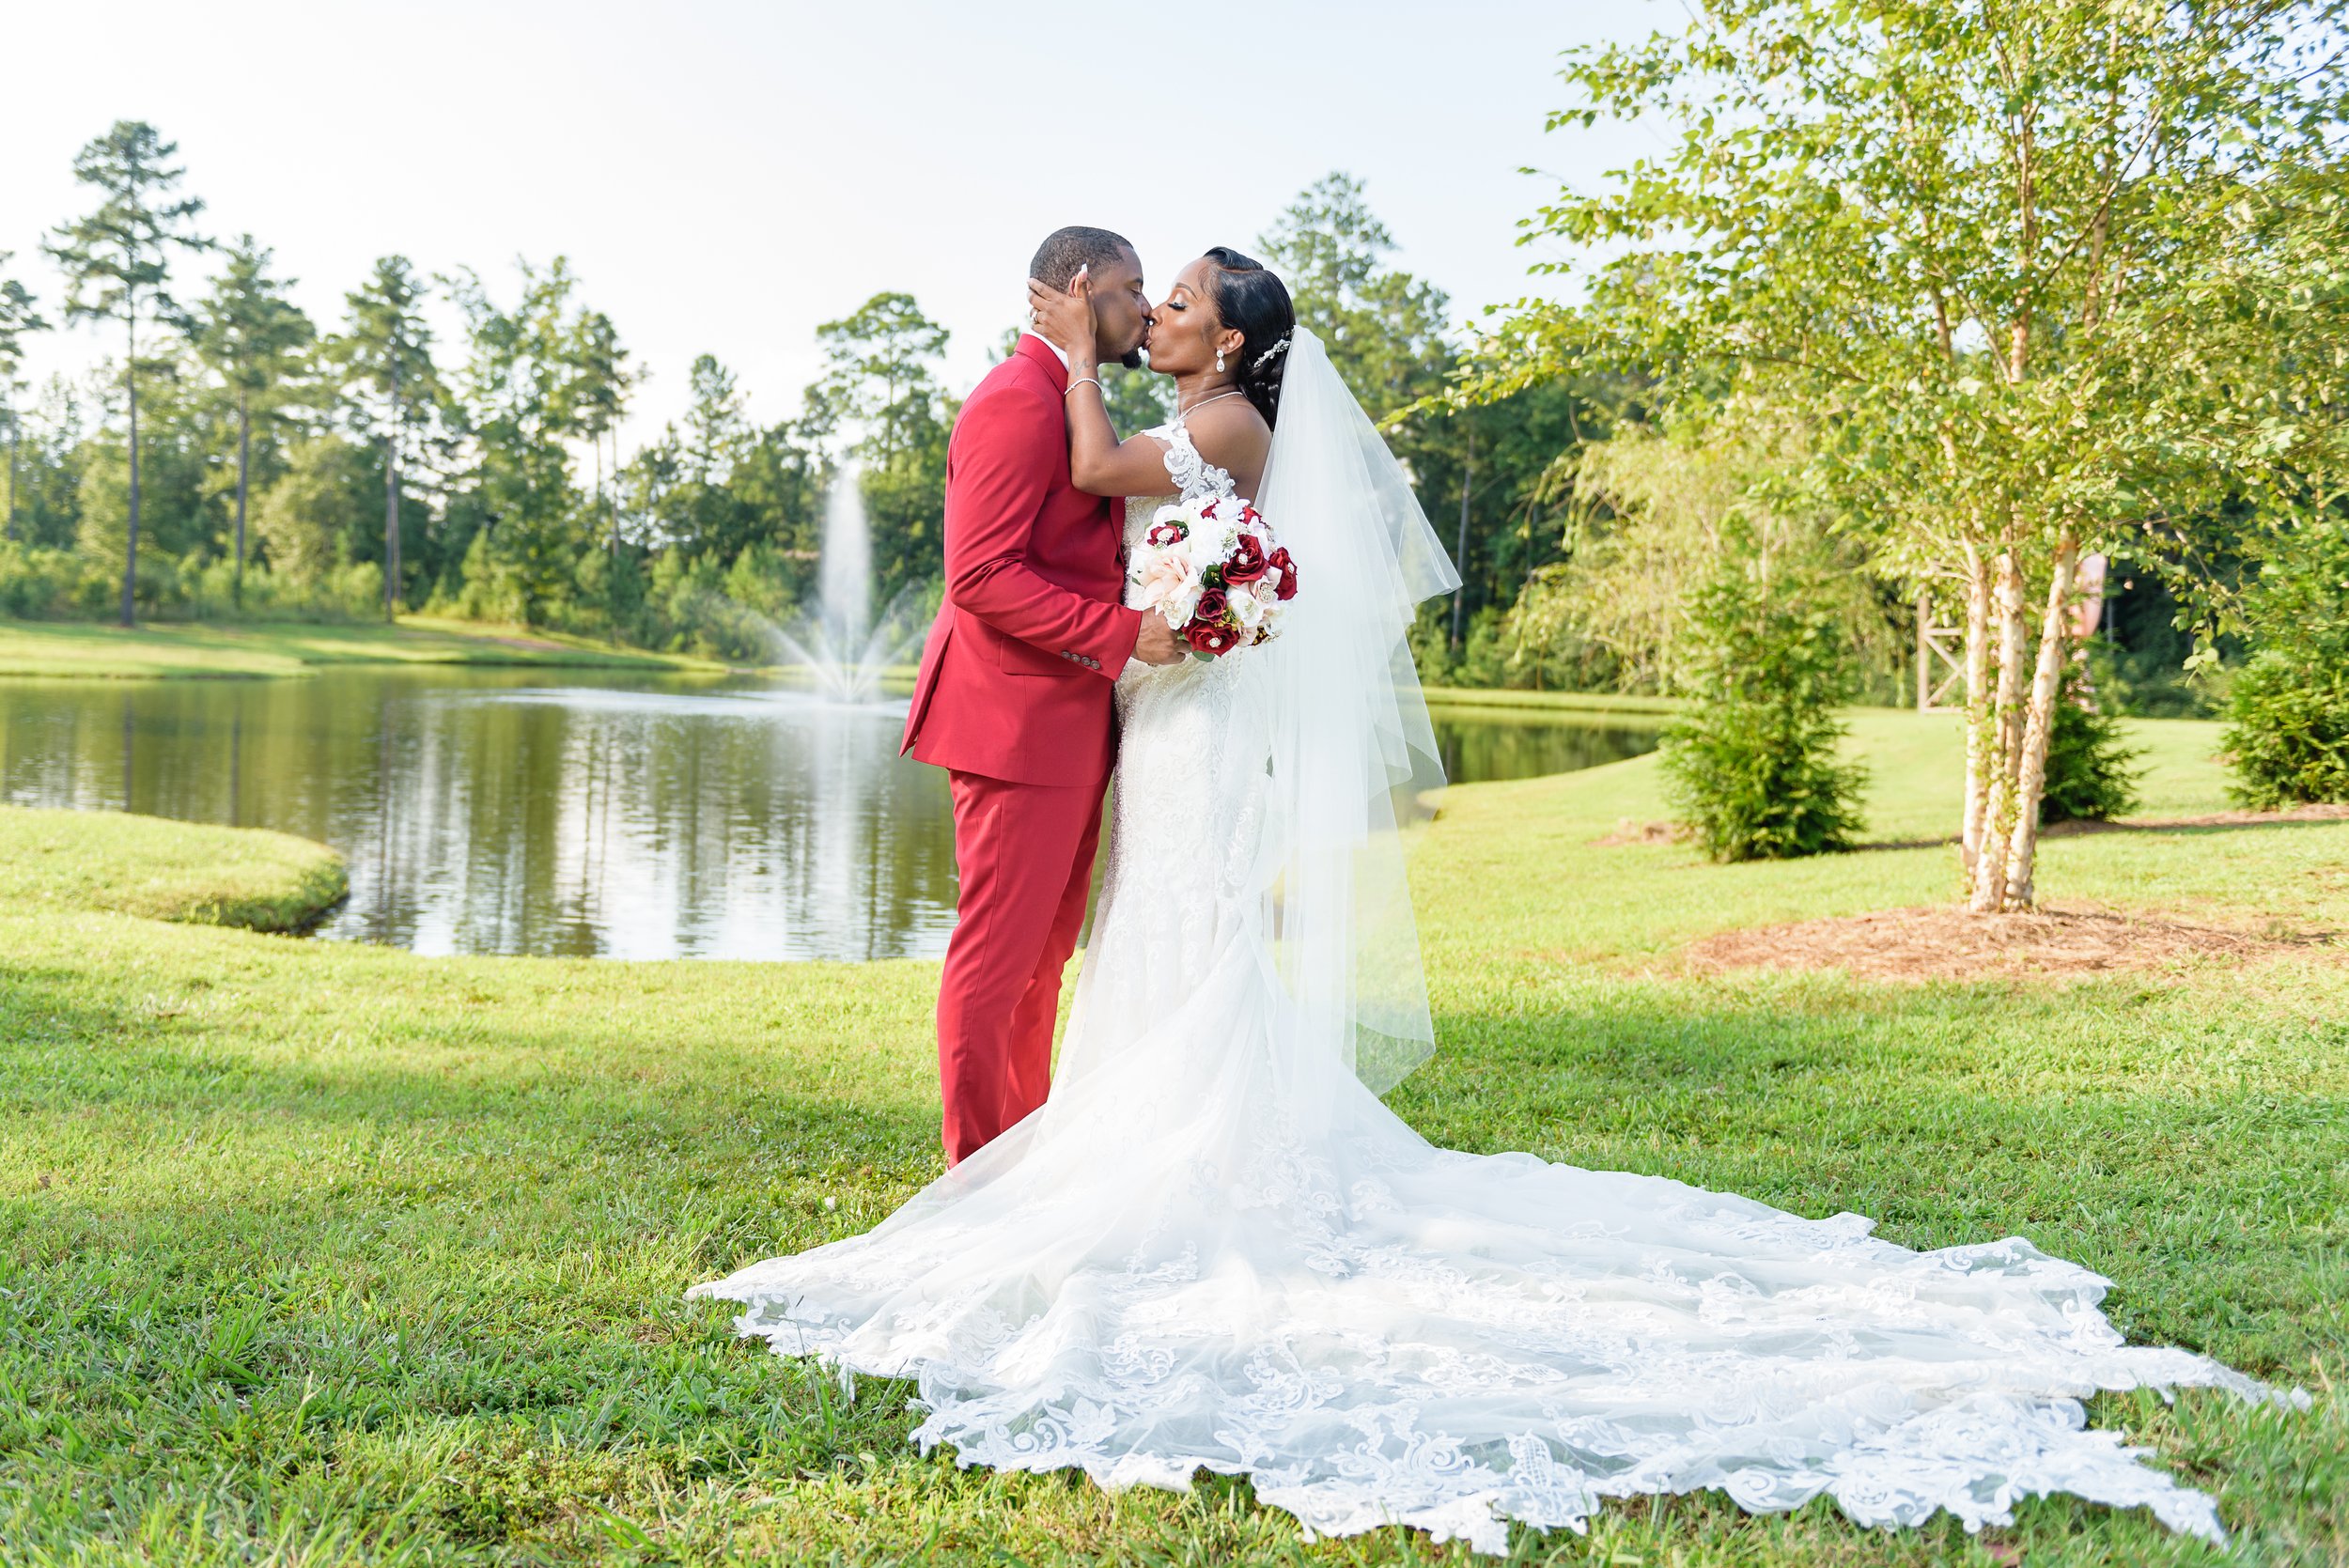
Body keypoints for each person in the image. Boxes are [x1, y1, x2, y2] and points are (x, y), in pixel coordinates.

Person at [695, 247, 2285, 1555]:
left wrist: (1087, 404)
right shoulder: (1064, 400)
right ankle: (1051, 1161)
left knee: (1161, 942)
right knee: (1109, 947)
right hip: (1131, 719)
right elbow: (1038, 547)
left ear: (1222, 335)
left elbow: (1108, 478)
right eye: (1138, 297)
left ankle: (1107, 1169)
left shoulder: (1209, 421)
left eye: (1169, 301)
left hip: (1159, 713)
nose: (1150, 314)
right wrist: (1126, 547)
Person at [894, 225, 1185, 1168]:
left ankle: (1016, 1156)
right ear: (1081, 286)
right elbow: (978, 574)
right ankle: (973, 1170)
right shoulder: (1016, 401)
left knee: (1039, 962)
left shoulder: (1061, 393)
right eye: (1134, 288)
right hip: (1010, 725)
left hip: (1065, 723)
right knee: (998, 958)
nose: (1145, 309)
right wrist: (1122, 634)